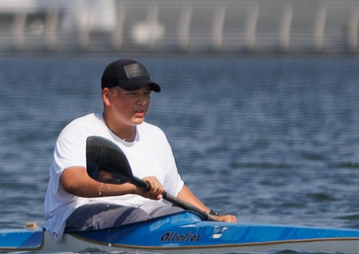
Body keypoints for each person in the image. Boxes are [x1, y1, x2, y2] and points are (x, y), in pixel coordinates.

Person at [44, 58, 235, 241]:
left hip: (144, 215)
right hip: (78, 213)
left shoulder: (155, 135)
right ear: (107, 96)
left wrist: (210, 217)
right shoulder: (80, 131)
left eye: (146, 94)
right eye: (133, 94)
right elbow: (73, 181)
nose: (142, 101)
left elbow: (175, 189)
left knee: (186, 217)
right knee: (151, 217)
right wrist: (133, 188)